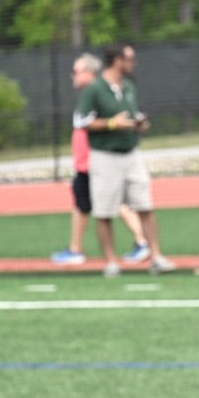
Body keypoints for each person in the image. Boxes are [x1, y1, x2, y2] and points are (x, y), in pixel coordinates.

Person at [74, 44, 176, 278]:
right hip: (105, 157)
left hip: (130, 154)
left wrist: (137, 123)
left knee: (145, 205)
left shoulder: (128, 87)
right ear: (117, 60)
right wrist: (111, 123)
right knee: (104, 211)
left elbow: (130, 114)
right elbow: (81, 121)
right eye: (129, 59)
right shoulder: (95, 89)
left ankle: (156, 257)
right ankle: (111, 262)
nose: (133, 63)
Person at [51, 53, 150, 266]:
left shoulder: (100, 91)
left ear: (90, 72)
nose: (73, 76)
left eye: (77, 71)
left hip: (96, 160)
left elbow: (93, 123)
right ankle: (76, 248)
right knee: (87, 204)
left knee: (110, 204)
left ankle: (142, 242)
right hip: (87, 161)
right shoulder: (94, 93)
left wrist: (113, 126)